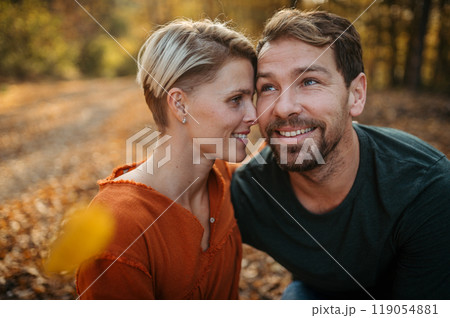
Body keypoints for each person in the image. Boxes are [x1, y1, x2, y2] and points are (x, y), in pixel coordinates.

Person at [231, 9, 450, 300]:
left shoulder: (425, 188)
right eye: (268, 87)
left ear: (356, 95)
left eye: (309, 81)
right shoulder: (251, 192)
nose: (283, 108)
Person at [76, 19, 257, 299]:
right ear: (179, 103)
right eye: (236, 99)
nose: (253, 115)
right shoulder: (117, 227)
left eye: (252, 97)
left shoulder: (226, 179)